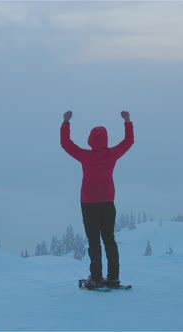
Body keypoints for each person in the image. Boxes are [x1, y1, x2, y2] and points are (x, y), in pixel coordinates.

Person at [60, 110, 134, 288]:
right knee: (109, 239)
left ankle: (96, 278)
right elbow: (128, 142)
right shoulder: (112, 154)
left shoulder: (86, 156)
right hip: (108, 202)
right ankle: (114, 278)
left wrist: (66, 122)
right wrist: (127, 121)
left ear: (91, 140)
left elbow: (66, 144)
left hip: (89, 204)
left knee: (94, 240)